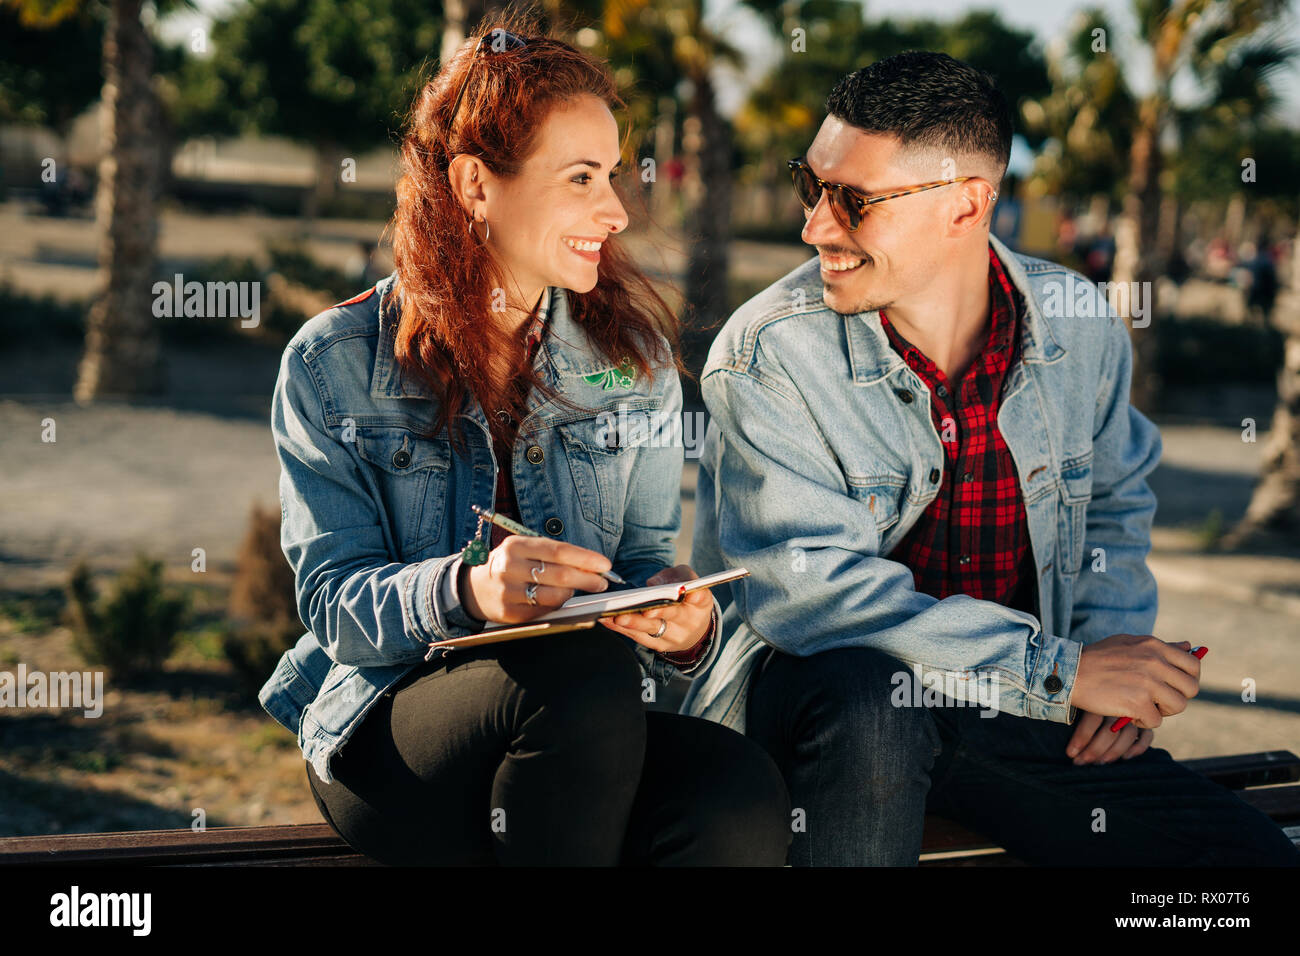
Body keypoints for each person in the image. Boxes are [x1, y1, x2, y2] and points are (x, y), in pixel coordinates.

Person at [682, 51, 1300, 867]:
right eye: (811, 185)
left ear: (968, 205)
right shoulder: (770, 352)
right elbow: (813, 601)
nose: (816, 225)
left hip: (1000, 706)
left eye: (854, 201)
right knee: (870, 698)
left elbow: (1115, 501)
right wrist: (1062, 671)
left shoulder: (1076, 322)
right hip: (821, 719)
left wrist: (1113, 684)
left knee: (1246, 862)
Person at [258, 17, 790, 866]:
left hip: (582, 735)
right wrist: (471, 591)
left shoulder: (634, 363)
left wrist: (679, 622)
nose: (615, 211)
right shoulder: (333, 364)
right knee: (578, 682)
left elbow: (644, 559)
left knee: (737, 790)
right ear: (475, 184)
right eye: (581, 178)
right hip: (393, 735)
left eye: (612, 176)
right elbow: (333, 604)